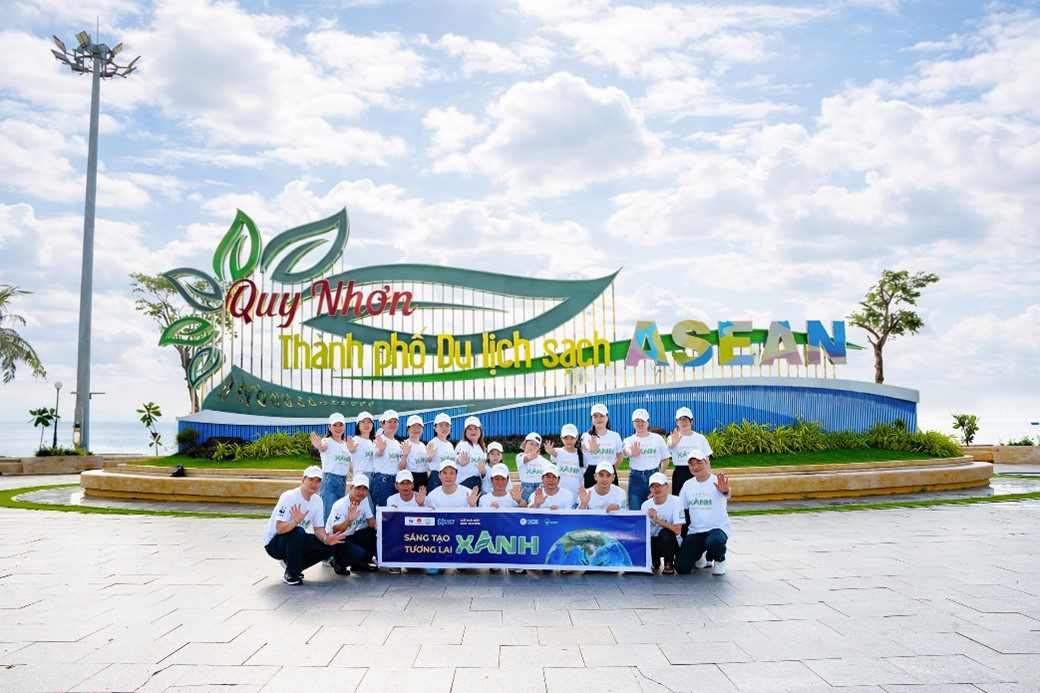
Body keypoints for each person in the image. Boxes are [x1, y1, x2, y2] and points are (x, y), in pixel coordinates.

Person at [262, 466, 343, 585]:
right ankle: (292, 574)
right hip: (274, 544)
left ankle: (292, 565)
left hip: (295, 539)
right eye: (311, 479)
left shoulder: (317, 501)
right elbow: (279, 529)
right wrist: (295, 521)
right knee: (298, 531)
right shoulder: (289, 497)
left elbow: (318, 529)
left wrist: (327, 539)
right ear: (303, 480)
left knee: (329, 547)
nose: (314, 484)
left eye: (318, 481)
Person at [675, 448, 731, 576]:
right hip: (696, 531)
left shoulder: (717, 481)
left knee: (714, 542)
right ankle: (702, 556)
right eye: (692, 464)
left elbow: (727, 492)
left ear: (707, 463)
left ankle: (720, 560)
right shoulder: (688, 485)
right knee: (681, 567)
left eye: (699, 463)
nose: (695, 467)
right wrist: (659, 498)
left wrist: (725, 490)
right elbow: (679, 506)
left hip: (717, 529)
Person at [423, 459, 479, 575]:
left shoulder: (467, 492)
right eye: (445, 473)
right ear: (439, 475)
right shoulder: (433, 495)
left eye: (452, 473)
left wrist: (473, 506)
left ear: (456, 475)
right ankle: (439, 561)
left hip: (461, 534)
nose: (448, 476)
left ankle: (460, 557)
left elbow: (475, 520)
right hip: (441, 535)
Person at [325, 474, 377, 575]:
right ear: (351, 487)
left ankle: (359, 565)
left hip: (349, 536)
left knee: (373, 533)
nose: (361, 492)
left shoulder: (364, 500)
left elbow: (370, 521)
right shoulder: (340, 505)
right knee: (360, 553)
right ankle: (338, 562)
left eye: (364, 489)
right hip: (336, 539)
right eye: (358, 488)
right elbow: (336, 530)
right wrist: (349, 520)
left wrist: (382, 523)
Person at [623, 408, 671, 511]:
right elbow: (626, 451)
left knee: (655, 509)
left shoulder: (658, 438)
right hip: (635, 478)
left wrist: (659, 475)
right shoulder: (629, 440)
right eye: (637, 421)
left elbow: (665, 460)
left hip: (653, 476)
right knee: (635, 510)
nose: (640, 424)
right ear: (633, 423)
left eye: (643, 421)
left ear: (648, 422)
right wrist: (632, 453)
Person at [641, 472, 684, 574]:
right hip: (654, 541)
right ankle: (654, 559)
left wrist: (657, 520)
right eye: (653, 486)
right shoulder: (645, 505)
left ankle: (669, 562)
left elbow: (677, 530)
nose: (657, 489)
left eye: (660, 485)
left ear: (667, 487)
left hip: (671, 541)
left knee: (665, 533)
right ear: (650, 489)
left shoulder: (676, 501)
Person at [309, 413, 351, 516]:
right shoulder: (327, 441)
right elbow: (323, 446)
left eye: (340, 425)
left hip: (342, 482)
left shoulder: (346, 445)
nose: (338, 428)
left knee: (338, 515)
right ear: (329, 427)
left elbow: (350, 465)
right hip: (329, 482)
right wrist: (319, 445)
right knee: (327, 515)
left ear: (344, 426)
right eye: (334, 425)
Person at [668, 407, 713, 499]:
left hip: (698, 471)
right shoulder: (672, 437)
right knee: (679, 501)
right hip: (680, 473)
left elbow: (707, 460)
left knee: (698, 499)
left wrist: (709, 478)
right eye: (681, 419)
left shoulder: (700, 438)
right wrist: (673, 443)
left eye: (686, 419)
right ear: (677, 422)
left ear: (691, 421)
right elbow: (668, 448)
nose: (684, 422)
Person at [581, 403, 624, 488]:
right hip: (592, 474)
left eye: (601, 416)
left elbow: (619, 457)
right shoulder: (586, 436)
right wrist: (590, 448)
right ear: (592, 419)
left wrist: (611, 470)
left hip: (609, 472)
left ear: (607, 417)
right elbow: (585, 445)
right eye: (595, 416)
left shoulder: (615, 436)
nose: (598, 419)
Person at [371, 409, 405, 509]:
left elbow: (401, 466)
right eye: (389, 422)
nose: (392, 424)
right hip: (382, 482)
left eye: (395, 422)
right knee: (381, 513)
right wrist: (381, 450)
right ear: (382, 424)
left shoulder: (397, 443)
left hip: (396, 482)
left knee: (393, 513)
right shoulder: (378, 440)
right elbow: (377, 454)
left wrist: (405, 455)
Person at [544, 424, 582, 504]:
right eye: (565, 438)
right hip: (560, 493)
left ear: (577, 437)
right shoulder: (558, 452)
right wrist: (550, 451)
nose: (569, 441)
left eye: (572, 438)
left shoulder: (581, 454)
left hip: (576, 493)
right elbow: (554, 453)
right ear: (561, 438)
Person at [454, 416, 488, 491]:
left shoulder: (481, 447)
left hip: (478, 482)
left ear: (480, 430)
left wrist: (483, 471)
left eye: (476, 428)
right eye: (470, 429)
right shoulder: (463, 444)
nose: (473, 431)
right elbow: (459, 460)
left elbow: (483, 471)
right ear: (465, 432)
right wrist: (462, 461)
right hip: (464, 482)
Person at [425, 412, 455, 492]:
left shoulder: (450, 445)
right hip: (436, 478)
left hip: (449, 477)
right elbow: (427, 462)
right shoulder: (432, 443)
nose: (444, 428)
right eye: (441, 426)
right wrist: (430, 457)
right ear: (435, 428)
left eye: (447, 426)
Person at [517, 432, 548, 500]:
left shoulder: (541, 459)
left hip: (540, 487)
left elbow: (551, 468)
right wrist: (530, 457)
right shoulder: (520, 456)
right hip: (526, 487)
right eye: (531, 444)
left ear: (539, 448)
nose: (533, 447)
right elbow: (525, 459)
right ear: (525, 444)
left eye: (536, 445)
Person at [402, 414, 430, 490]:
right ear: (408, 429)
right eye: (413, 427)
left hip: (424, 477)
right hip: (411, 478)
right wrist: (405, 456)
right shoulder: (405, 444)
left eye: (419, 426)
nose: (416, 429)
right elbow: (401, 468)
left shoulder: (423, 446)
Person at [349, 411, 377, 483]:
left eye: (369, 422)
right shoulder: (355, 440)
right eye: (363, 422)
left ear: (372, 425)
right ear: (358, 425)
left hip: (373, 477)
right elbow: (347, 462)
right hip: (360, 478)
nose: (366, 425)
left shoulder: (373, 442)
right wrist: (357, 472)